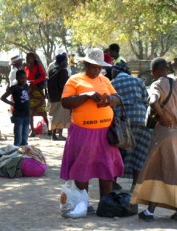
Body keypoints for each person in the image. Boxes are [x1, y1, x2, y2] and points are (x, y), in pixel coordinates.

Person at [60, 48, 124, 210]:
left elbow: (118, 99)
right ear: (85, 65)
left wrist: (109, 99)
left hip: (105, 133)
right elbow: (66, 103)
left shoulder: (104, 80)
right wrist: (86, 96)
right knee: (83, 168)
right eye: (92, 66)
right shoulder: (74, 80)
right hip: (83, 132)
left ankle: (106, 203)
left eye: (98, 67)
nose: (95, 70)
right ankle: (83, 203)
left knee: (106, 168)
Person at [131, 57, 177, 222]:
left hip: (164, 133)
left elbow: (152, 101)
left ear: (154, 72)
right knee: (172, 171)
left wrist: (163, 116)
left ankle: (150, 212)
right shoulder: (175, 83)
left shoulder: (158, 84)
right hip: (176, 133)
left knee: (157, 171)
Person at [111, 61, 151, 192]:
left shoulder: (112, 84)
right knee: (139, 152)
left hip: (122, 122)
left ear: (116, 72)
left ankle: (114, 183)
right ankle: (135, 185)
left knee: (119, 151)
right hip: (141, 119)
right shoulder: (138, 81)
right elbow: (146, 100)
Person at [1, 70, 30, 146]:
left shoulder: (26, 86)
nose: (23, 80)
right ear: (17, 78)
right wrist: (12, 103)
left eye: (25, 78)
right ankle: (16, 154)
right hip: (18, 115)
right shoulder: (14, 88)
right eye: (21, 78)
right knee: (18, 137)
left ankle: (23, 154)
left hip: (27, 115)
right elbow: (3, 97)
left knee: (25, 136)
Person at [24, 52, 50, 137]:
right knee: (30, 112)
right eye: (27, 58)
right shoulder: (26, 68)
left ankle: (49, 129)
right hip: (30, 92)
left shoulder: (38, 66)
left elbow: (43, 76)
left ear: (34, 58)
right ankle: (33, 131)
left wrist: (34, 82)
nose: (28, 59)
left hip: (38, 91)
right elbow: (25, 78)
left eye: (30, 58)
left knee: (42, 111)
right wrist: (28, 82)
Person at [47, 53, 71, 141]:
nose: (67, 62)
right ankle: (60, 135)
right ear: (62, 62)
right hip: (61, 97)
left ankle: (53, 134)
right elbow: (63, 85)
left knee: (53, 115)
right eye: (66, 61)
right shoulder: (63, 71)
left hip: (52, 97)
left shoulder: (52, 70)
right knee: (62, 116)